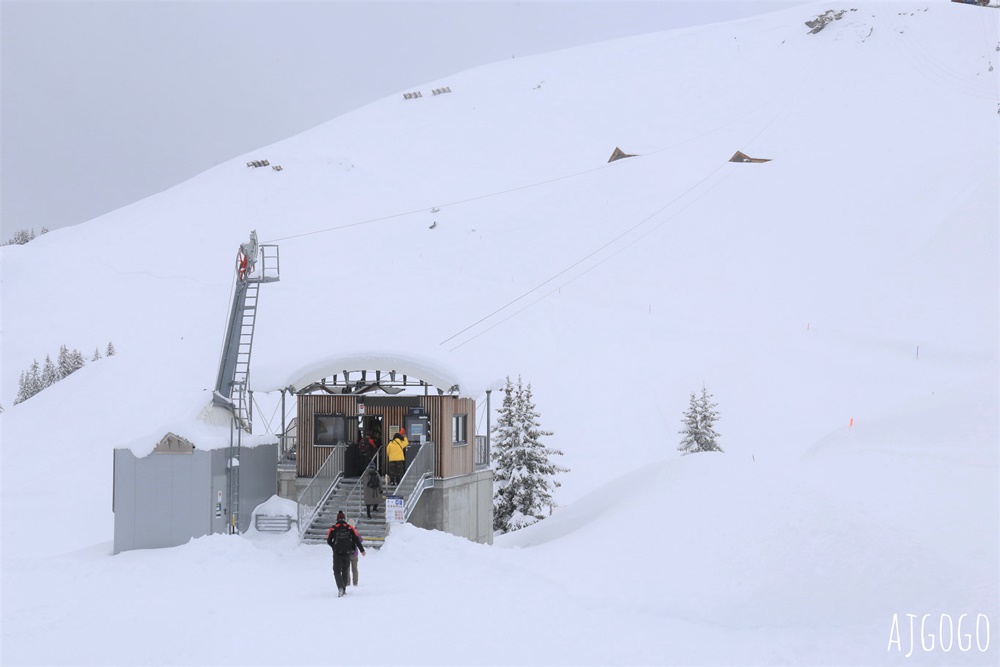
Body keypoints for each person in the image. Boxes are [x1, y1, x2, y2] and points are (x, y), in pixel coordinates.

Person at [326, 510, 365, 597]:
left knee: (336, 570)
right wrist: (362, 550)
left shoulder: (333, 528)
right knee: (345, 570)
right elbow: (356, 539)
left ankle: (340, 587)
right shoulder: (349, 528)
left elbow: (328, 541)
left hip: (337, 553)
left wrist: (334, 547)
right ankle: (343, 589)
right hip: (347, 553)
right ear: (344, 518)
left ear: (337, 519)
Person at [347, 518, 363, 587]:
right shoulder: (356, 532)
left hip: (346, 553)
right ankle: (355, 582)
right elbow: (361, 540)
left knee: (346, 569)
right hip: (355, 553)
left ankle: (347, 582)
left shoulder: (345, 532)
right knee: (355, 569)